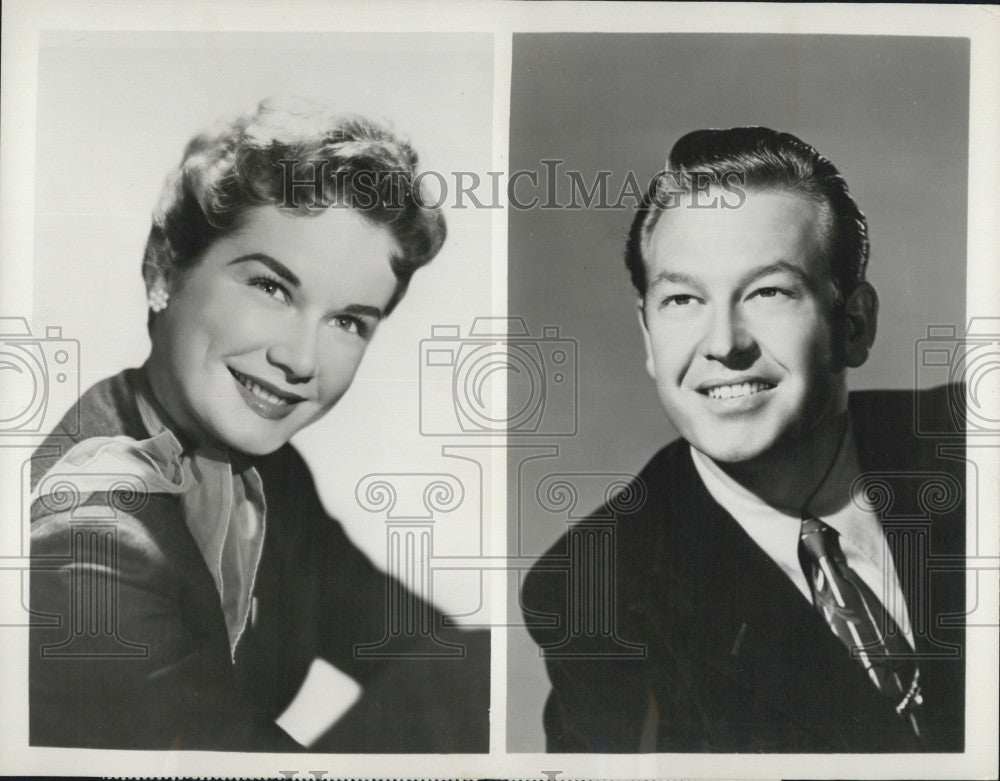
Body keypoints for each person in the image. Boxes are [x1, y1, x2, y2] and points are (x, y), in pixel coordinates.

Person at [29, 96, 488, 752]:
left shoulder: (270, 475)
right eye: (272, 287)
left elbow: (434, 651)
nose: (300, 359)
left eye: (347, 321)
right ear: (164, 267)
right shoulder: (89, 547)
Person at [522, 127, 965, 752]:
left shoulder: (972, 442)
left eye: (769, 292)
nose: (724, 343)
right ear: (649, 339)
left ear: (855, 324)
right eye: (682, 299)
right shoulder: (598, 594)